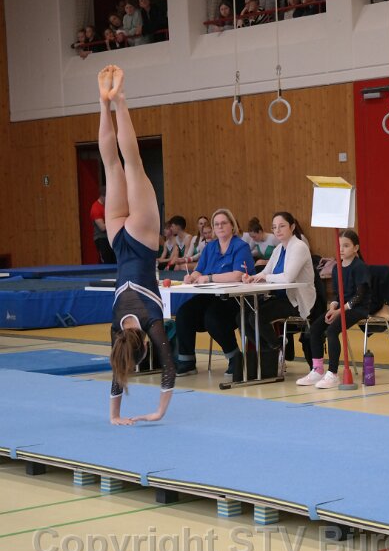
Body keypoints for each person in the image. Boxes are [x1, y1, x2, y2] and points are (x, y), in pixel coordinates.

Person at [97, 64, 175, 425]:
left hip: (142, 242)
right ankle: (103, 103)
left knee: (133, 163)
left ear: (144, 344)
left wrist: (158, 412)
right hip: (118, 240)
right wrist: (113, 416)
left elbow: (169, 368)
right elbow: (117, 372)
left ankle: (120, 100)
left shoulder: (152, 322)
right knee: (112, 164)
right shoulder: (116, 328)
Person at [175, 208, 255, 377]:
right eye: (216, 224)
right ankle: (186, 361)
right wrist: (192, 277)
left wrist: (209, 278)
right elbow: (199, 270)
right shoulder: (210, 247)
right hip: (210, 296)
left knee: (213, 318)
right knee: (184, 313)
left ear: (232, 225)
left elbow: (237, 275)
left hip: (234, 298)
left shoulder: (241, 247)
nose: (220, 227)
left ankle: (235, 358)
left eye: (223, 223)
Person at [241, 212, 316, 378]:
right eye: (274, 227)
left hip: (296, 301)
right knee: (242, 317)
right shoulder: (278, 249)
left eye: (282, 226)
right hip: (279, 298)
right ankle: (271, 351)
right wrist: (252, 278)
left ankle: (276, 347)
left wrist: (265, 277)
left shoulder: (299, 247)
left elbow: (288, 277)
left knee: (257, 316)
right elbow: (266, 272)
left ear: (292, 227)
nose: (277, 230)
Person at [296, 229, 370, 389]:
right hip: (341, 307)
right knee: (315, 328)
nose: (341, 249)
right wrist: (332, 307)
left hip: (357, 308)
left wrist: (340, 311)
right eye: (339, 245)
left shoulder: (359, 267)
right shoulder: (337, 268)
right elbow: (338, 295)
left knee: (332, 331)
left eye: (346, 246)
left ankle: (333, 373)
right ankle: (317, 370)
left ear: (356, 248)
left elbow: (359, 296)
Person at [90, 186, 116, 264]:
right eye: (107, 197)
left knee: (115, 261)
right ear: (102, 196)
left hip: (111, 238)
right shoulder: (96, 208)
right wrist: (115, 221)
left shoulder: (108, 206)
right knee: (106, 261)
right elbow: (102, 227)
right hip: (101, 238)